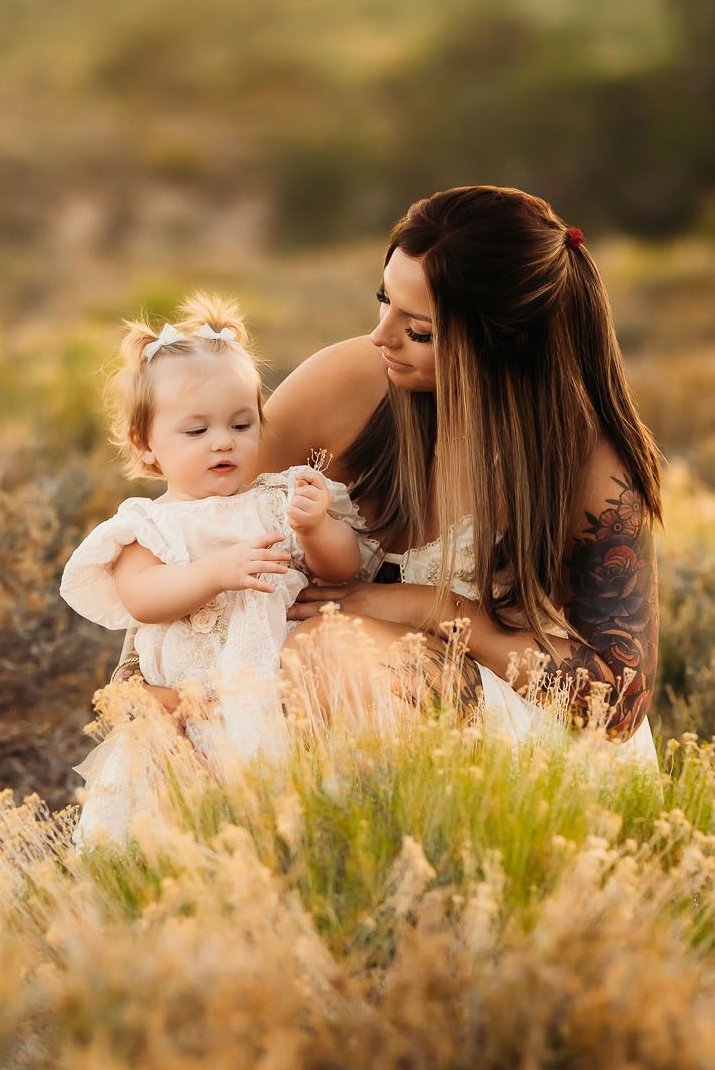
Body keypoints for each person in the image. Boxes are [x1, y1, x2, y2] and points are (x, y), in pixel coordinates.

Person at [258, 185, 662, 758]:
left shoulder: (588, 464)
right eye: (384, 300)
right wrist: (140, 668)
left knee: (329, 648)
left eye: (419, 330)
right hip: (321, 687)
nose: (381, 336)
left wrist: (440, 609)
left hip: (519, 726)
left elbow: (617, 705)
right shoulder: (347, 382)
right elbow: (197, 511)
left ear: (507, 343)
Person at [59, 291, 371, 847]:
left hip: (278, 698)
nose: (223, 441)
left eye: (241, 424)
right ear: (146, 444)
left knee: (282, 813)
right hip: (185, 711)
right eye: (197, 431)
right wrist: (216, 572)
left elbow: (345, 570)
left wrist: (318, 528)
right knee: (161, 825)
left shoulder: (277, 499)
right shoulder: (150, 526)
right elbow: (143, 598)